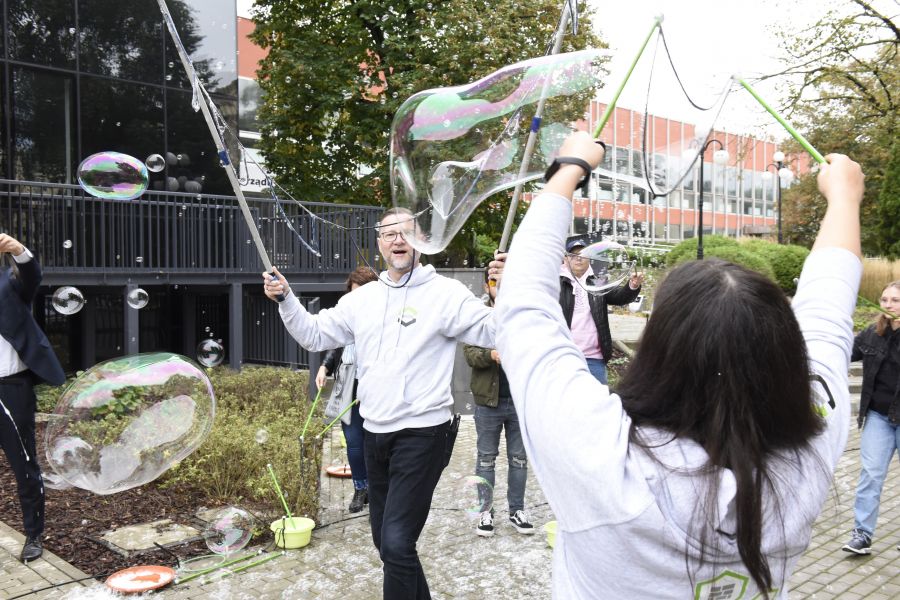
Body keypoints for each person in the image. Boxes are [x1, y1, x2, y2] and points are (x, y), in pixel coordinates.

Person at [495, 130, 865, 599]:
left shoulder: (599, 450)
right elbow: (829, 314)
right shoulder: (808, 446)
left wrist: (568, 169)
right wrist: (844, 202)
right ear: (783, 357)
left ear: (659, 350)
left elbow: (523, 306)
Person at [263, 209, 505, 599]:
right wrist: (286, 298)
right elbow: (313, 334)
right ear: (378, 243)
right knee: (388, 544)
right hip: (374, 431)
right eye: (389, 233)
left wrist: (504, 291)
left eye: (406, 233)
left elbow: (495, 330)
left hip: (424, 434)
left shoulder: (445, 294)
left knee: (395, 543)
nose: (397, 240)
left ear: (420, 241)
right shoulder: (366, 298)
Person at [0, 233, 66, 563]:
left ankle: (33, 533)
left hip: (11, 388)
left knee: (24, 463)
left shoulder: (9, 282)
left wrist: (19, 251)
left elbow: (32, 276)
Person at [464, 267, 533, 538]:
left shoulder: (524, 316)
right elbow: (469, 353)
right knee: (486, 460)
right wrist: (492, 354)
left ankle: (517, 510)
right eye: (495, 283)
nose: (500, 288)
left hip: (518, 401)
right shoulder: (476, 316)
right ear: (486, 287)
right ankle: (485, 513)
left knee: (519, 459)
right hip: (487, 402)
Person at [841, 280, 900, 555]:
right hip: (878, 417)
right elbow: (844, 353)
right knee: (870, 475)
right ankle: (862, 534)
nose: (888, 305)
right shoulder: (871, 334)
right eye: (885, 299)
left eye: (895, 300)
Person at [315, 266, 379, 513]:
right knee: (353, 442)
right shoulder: (347, 317)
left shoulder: (382, 319)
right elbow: (337, 345)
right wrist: (324, 367)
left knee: (374, 443)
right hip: (347, 384)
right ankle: (360, 487)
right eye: (353, 294)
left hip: (373, 385)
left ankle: (376, 490)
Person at [559, 237, 643, 384]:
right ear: (566, 259)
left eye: (583, 255)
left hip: (594, 358)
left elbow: (620, 297)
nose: (579, 258)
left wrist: (633, 285)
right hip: (563, 356)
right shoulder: (555, 283)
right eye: (573, 255)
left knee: (596, 404)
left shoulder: (598, 282)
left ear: (590, 259)